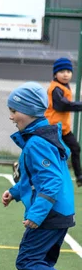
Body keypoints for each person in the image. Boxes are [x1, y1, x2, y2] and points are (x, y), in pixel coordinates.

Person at [2, 81, 81, 270]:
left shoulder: (36, 142)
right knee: (43, 262)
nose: (11, 116)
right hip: (62, 212)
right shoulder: (42, 136)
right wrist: (15, 192)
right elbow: (35, 177)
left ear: (31, 110)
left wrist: (36, 214)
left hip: (50, 213)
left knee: (27, 261)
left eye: (16, 110)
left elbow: (51, 182)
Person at [45, 57, 82, 186]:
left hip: (64, 129)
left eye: (68, 71)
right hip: (52, 129)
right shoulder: (55, 89)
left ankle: (79, 176)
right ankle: (21, 168)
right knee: (46, 153)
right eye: (62, 71)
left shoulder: (64, 86)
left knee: (75, 148)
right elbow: (62, 105)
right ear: (55, 74)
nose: (66, 74)